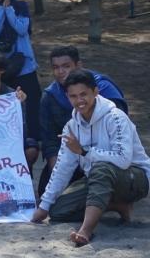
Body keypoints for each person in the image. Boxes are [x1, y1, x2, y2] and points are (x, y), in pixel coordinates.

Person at [31, 69, 150, 247]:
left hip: (135, 178)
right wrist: (43, 207)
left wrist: (84, 152)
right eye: (73, 96)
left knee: (101, 168)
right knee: (57, 211)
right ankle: (117, 206)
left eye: (84, 94)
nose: (79, 101)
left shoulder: (116, 117)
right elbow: (62, 168)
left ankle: (85, 231)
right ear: (67, 97)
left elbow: (123, 159)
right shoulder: (71, 127)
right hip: (97, 181)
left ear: (95, 92)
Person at [39, 46, 126, 194]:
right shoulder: (50, 96)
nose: (61, 72)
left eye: (66, 66)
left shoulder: (103, 87)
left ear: (78, 65)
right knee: (47, 193)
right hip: (70, 155)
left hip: (104, 156)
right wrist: (57, 172)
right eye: (56, 67)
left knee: (99, 188)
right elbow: (50, 139)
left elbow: (119, 130)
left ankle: (117, 201)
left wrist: (86, 151)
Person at [0, 0, 41, 163]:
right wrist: (2, 10)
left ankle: (32, 138)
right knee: (7, 103)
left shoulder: (21, 7)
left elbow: (22, 29)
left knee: (30, 101)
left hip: (23, 63)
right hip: (4, 64)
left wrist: (9, 10)